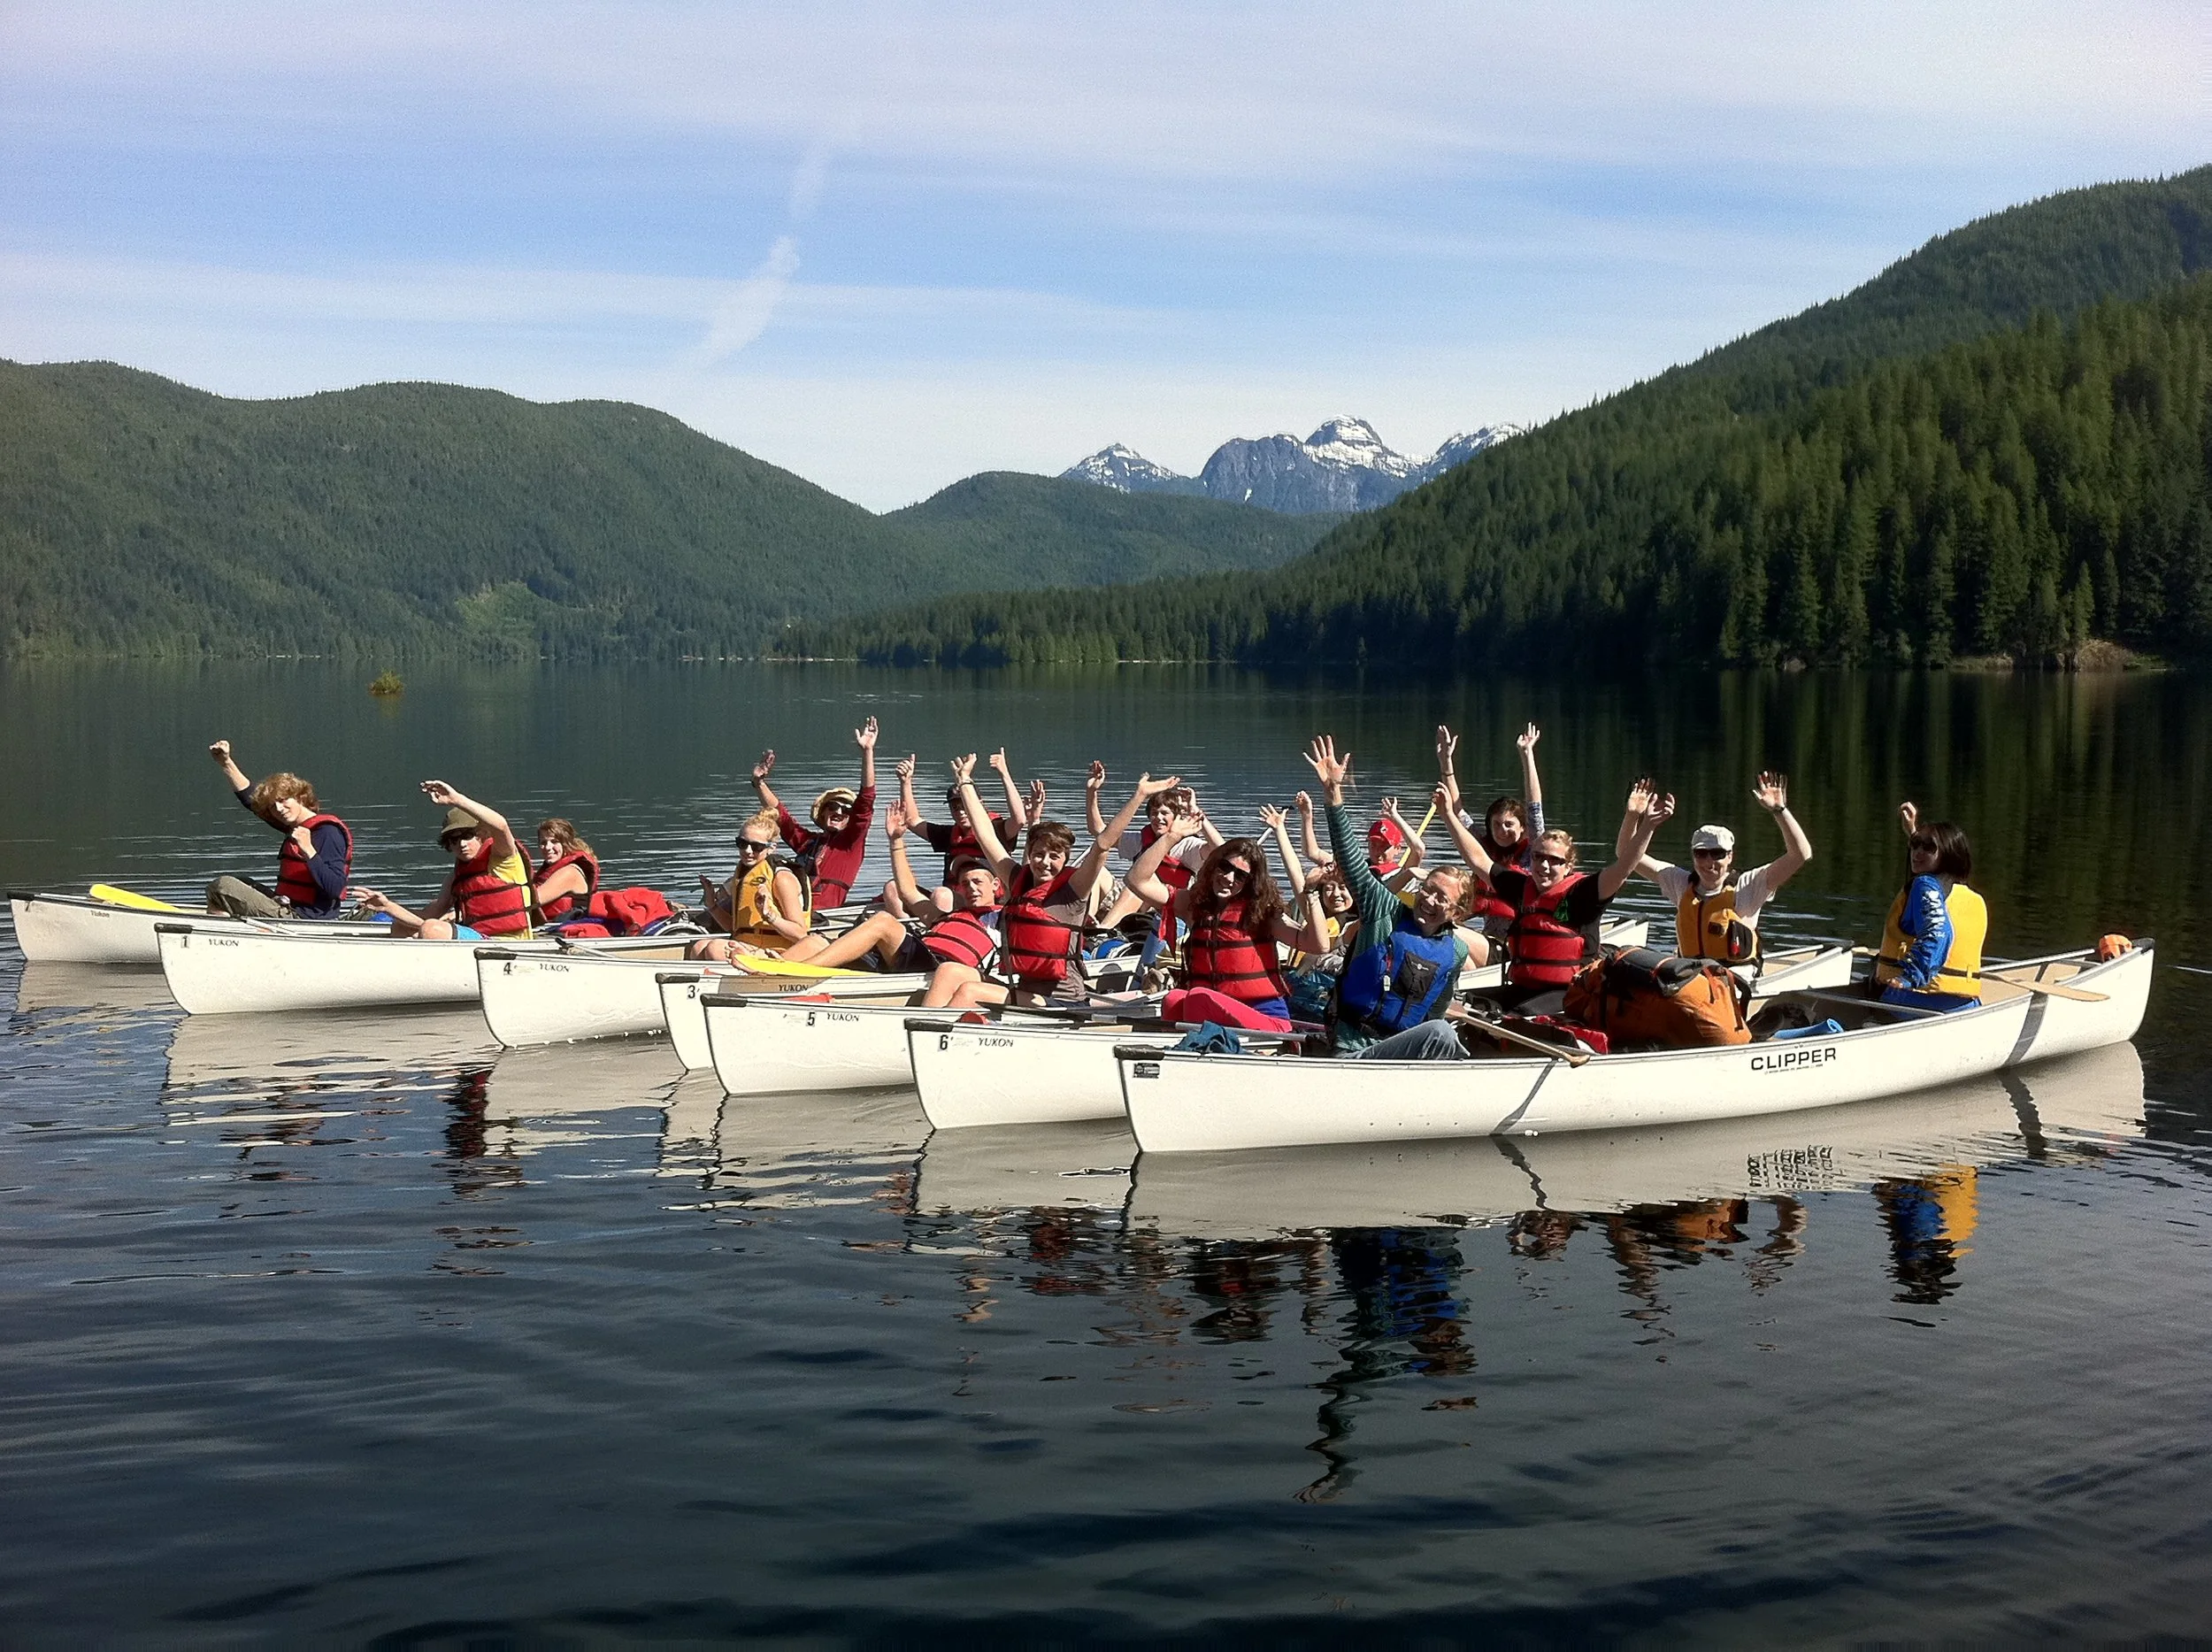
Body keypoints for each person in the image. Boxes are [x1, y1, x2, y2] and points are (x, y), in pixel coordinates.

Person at [1438, 752, 1671, 1018]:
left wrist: (1646, 825)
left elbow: (1624, 866)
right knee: (1464, 1002)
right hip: (1523, 985)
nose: (1544, 866)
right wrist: (1447, 816)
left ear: (1568, 866)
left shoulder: (1585, 893)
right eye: (1538, 857)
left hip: (1570, 992)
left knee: (1518, 1014)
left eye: (1554, 860)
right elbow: (1478, 859)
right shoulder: (1522, 887)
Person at [1301, 734, 1489, 1058]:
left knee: (1440, 1029)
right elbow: (1350, 860)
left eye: (1441, 899)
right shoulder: (1383, 911)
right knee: (1441, 1034)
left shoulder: (1456, 951)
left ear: (1458, 912)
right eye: (1427, 890)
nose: (1428, 901)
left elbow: (1435, 1010)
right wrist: (1333, 794)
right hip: (1352, 1046)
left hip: (1402, 1053)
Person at [943, 757, 1171, 1009]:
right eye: (1039, 854)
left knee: (969, 992)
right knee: (950, 972)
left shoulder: (1074, 890)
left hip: (1063, 1002)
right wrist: (964, 781)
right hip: (1026, 991)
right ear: (1029, 854)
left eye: (1054, 856)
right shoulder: (1018, 878)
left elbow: (1104, 843)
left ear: (1065, 859)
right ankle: (918, 1034)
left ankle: (932, 1040)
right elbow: (986, 834)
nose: (1044, 862)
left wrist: (1139, 796)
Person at [780, 803, 1006, 1005]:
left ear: (996, 885)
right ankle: (764, 975)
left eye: (977, 882)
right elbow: (907, 890)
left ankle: (799, 972)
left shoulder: (1003, 918)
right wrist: (896, 840)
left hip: (938, 967)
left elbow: (1026, 884)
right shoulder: (946, 917)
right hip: (915, 957)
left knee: (884, 921)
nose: (971, 888)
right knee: (815, 941)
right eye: (965, 883)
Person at [1125, 811, 1331, 1032]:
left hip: (1264, 1018)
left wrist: (1311, 894)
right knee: (1173, 999)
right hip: (1211, 1012)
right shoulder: (1193, 906)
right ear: (1213, 866)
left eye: (1240, 876)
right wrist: (1171, 837)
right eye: (1224, 868)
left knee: (1198, 997)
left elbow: (1319, 945)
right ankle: (1188, 1050)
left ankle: (1195, 1051)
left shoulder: (1263, 913)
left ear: (1251, 882)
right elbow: (1136, 880)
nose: (1228, 878)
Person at [1629, 772, 1811, 964]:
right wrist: (1634, 817)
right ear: (1693, 856)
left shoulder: (1749, 886)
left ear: (1730, 856)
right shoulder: (1679, 882)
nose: (1709, 862)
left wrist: (1779, 810)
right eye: (1701, 854)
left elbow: (1800, 855)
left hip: (1733, 980)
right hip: (1691, 978)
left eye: (1718, 854)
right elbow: (1626, 856)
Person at [355, 782, 534, 939]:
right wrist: (387, 906)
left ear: (481, 835)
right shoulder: (455, 877)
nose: (461, 844)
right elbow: (426, 916)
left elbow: (501, 826)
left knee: (432, 929)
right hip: (476, 937)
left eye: (467, 836)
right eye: (453, 840)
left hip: (508, 941)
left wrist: (457, 799)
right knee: (401, 927)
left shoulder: (504, 858)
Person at [204, 739, 352, 918]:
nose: (279, 809)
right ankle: (223, 932)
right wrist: (226, 763)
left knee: (223, 886)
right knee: (240, 883)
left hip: (306, 918)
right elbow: (250, 800)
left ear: (300, 797)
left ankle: (221, 933)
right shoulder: (294, 826)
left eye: (283, 800)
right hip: (288, 905)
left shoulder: (328, 832)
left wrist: (309, 851)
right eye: (273, 806)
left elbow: (335, 887)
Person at [752, 716, 879, 911]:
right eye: (833, 806)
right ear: (823, 813)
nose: (838, 811)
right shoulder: (809, 842)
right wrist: (759, 783)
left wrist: (868, 752)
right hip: (788, 906)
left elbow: (866, 801)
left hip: (820, 915)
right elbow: (781, 817)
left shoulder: (851, 843)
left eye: (846, 810)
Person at [1874, 803, 1985, 1012]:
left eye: (1928, 848)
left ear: (1949, 853)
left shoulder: (1924, 886)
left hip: (1913, 1001)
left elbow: (1938, 933)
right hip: (1965, 1005)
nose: (1917, 852)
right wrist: (1912, 830)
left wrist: (1909, 977)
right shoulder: (1967, 895)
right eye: (1915, 845)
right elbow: (1934, 899)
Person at [1439, 723, 1548, 937]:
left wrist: (1527, 755)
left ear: (1523, 828)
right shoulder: (1484, 848)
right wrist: (1446, 763)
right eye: (1496, 824)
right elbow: (1457, 810)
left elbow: (1534, 805)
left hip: (1522, 938)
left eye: (1509, 824)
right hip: (1490, 937)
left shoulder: (1533, 851)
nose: (1501, 831)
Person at [894, 747, 1030, 898]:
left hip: (991, 903)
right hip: (954, 901)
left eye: (964, 805)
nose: (960, 812)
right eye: (955, 807)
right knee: (893, 888)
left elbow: (1019, 820)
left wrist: (1004, 773)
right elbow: (912, 821)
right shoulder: (949, 835)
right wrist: (905, 782)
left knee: (941, 895)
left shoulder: (996, 829)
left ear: (977, 804)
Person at [688, 808, 813, 962]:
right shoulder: (744, 875)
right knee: (699, 947)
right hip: (748, 946)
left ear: (771, 848)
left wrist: (769, 915)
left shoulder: (782, 879)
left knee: (716, 948)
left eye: (756, 847)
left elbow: (800, 934)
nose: (748, 851)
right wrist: (711, 904)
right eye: (742, 843)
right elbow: (734, 928)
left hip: (778, 952)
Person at [533, 818, 600, 922]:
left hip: (565, 930)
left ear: (566, 843)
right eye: (543, 842)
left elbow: (532, 900)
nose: (547, 847)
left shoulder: (570, 872)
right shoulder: (549, 870)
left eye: (554, 841)